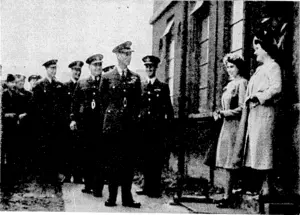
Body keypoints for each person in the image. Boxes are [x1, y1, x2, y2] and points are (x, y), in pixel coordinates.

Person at [100, 41, 141, 208]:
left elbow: (137, 102)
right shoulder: (107, 77)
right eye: (125, 54)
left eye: (130, 54)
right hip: (113, 127)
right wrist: (112, 117)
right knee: (112, 163)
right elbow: (103, 102)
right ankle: (111, 197)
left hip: (129, 127)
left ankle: (127, 198)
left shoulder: (135, 78)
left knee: (128, 164)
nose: (128, 57)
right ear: (117, 55)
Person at [243, 30, 282, 200]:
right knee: (257, 152)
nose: (255, 51)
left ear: (265, 49)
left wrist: (258, 97)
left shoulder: (273, 66)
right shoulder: (260, 70)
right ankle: (262, 189)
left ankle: (267, 189)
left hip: (265, 115)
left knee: (265, 153)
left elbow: (276, 88)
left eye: (257, 47)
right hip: (255, 115)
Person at [213, 53, 248, 208]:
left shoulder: (242, 83)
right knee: (226, 161)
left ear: (239, 67)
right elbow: (226, 105)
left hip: (235, 126)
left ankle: (229, 196)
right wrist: (218, 112)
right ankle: (227, 194)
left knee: (231, 161)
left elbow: (242, 108)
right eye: (227, 67)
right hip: (226, 125)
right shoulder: (230, 84)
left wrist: (224, 113)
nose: (229, 70)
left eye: (232, 66)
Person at [136, 55, 174, 198]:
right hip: (144, 129)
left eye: (151, 66)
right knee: (145, 158)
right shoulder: (140, 86)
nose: (149, 69)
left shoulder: (163, 87)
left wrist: (168, 128)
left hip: (157, 129)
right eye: (147, 67)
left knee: (156, 159)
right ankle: (146, 187)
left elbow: (168, 110)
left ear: (156, 68)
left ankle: (155, 189)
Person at [70, 54, 105, 197]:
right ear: (90, 67)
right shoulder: (82, 83)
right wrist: (73, 119)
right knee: (87, 156)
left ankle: (98, 188)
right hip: (86, 125)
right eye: (94, 65)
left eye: (99, 65)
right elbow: (75, 103)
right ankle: (88, 184)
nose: (97, 68)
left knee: (100, 157)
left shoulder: (106, 82)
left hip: (101, 125)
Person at [31, 59, 67, 189]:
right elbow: (34, 107)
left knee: (55, 149)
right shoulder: (40, 85)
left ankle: (53, 175)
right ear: (46, 69)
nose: (53, 70)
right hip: (43, 124)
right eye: (51, 68)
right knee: (44, 149)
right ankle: (44, 176)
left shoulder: (58, 85)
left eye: (55, 68)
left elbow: (62, 105)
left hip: (55, 124)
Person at [64, 61, 83, 183]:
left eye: (79, 71)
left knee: (79, 149)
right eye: (75, 70)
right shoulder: (65, 86)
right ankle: (67, 175)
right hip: (67, 122)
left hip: (80, 122)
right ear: (71, 71)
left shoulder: (82, 85)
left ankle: (77, 176)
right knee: (67, 148)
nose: (77, 72)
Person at [1, 74, 19, 185]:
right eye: (11, 82)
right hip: (6, 127)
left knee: (13, 151)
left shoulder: (16, 95)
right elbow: (3, 112)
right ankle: (6, 175)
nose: (13, 84)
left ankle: (12, 175)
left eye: (14, 83)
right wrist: (10, 115)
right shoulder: (4, 95)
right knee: (6, 151)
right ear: (7, 83)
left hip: (14, 127)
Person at [14, 74, 32, 178]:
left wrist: (25, 114)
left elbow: (32, 108)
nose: (20, 83)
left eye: (22, 81)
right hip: (15, 125)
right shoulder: (12, 94)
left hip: (26, 125)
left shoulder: (28, 94)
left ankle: (26, 171)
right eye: (18, 81)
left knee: (26, 147)